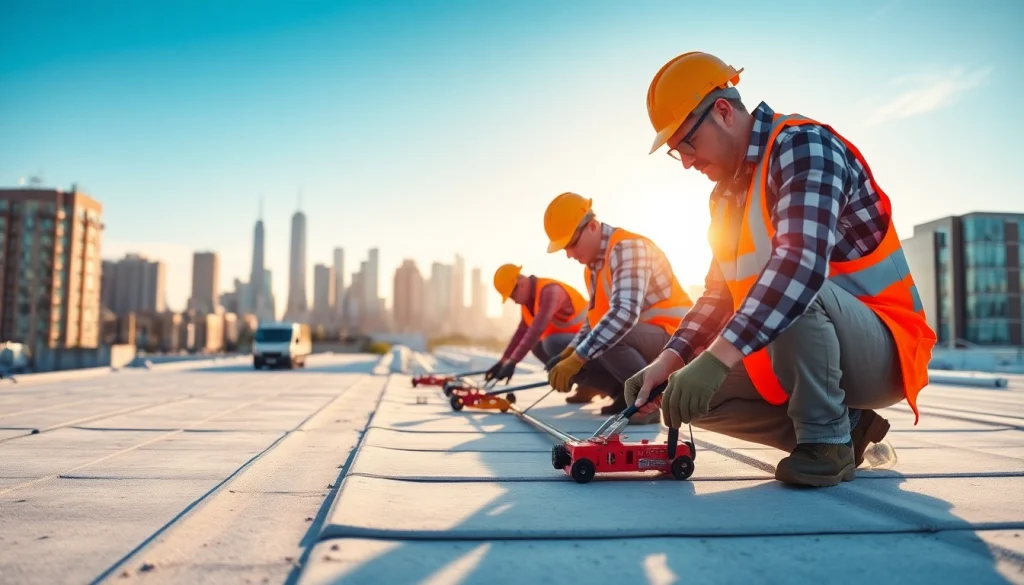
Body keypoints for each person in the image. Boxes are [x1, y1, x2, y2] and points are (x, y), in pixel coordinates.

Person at [625, 51, 936, 487]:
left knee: (790, 286)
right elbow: (718, 295)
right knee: (683, 397)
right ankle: (846, 431)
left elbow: (800, 267)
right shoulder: (725, 195)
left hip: (884, 350)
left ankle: (825, 441)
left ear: (723, 111)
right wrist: (670, 361)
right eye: (678, 153)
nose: (689, 162)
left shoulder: (804, 147)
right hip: (805, 341)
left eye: (687, 144)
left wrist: (714, 359)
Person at [543, 192, 694, 421]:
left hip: (675, 340)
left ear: (592, 226)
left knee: (610, 335)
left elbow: (623, 315)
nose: (569, 254)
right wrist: (567, 353)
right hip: (643, 341)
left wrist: (577, 359)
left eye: (572, 244)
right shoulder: (592, 268)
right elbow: (593, 320)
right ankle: (621, 393)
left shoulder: (628, 248)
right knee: (558, 343)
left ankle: (645, 405)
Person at [486, 264, 593, 402]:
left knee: (550, 343)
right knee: (537, 346)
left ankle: (583, 380)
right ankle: (587, 386)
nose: (514, 301)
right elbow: (521, 334)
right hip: (571, 343)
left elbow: (536, 330)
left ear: (522, 283)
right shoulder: (528, 304)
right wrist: (503, 362)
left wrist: (513, 362)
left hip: (589, 337)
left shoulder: (550, 291)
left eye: (512, 295)